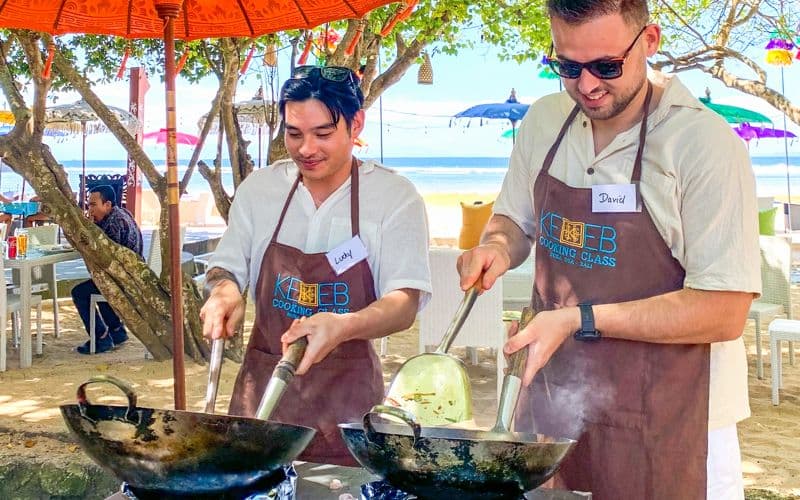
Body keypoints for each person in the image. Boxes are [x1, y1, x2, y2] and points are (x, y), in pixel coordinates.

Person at [457, 2, 759, 499]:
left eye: (606, 67)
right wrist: (495, 246)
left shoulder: (702, 143)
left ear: (649, 40)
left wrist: (579, 319)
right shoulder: (544, 121)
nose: (588, 86)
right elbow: (514, 220)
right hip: (557, 409)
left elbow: (723, 311)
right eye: (568, 68)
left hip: (674, 418)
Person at [200, 65, 431, 466]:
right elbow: (227, 266)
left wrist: (344, 326)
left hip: (349, 415)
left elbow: (404, 301)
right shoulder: (260, 191)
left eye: (322, 134)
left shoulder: (394, 197)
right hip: (263, 405)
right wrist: (225, 291)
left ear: (355, 123)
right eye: (294, 134)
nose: (307, 149)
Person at [71, 184, 143, 354]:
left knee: (80, 293)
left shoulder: (115, 223)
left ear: (107, 205)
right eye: (89, 204)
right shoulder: (122, 214)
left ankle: (101, 338)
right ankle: (116, 331)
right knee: (98, 284)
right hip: (132, 274)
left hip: (124, 278)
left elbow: (103, 257)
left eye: (93, 205)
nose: (90, 209)